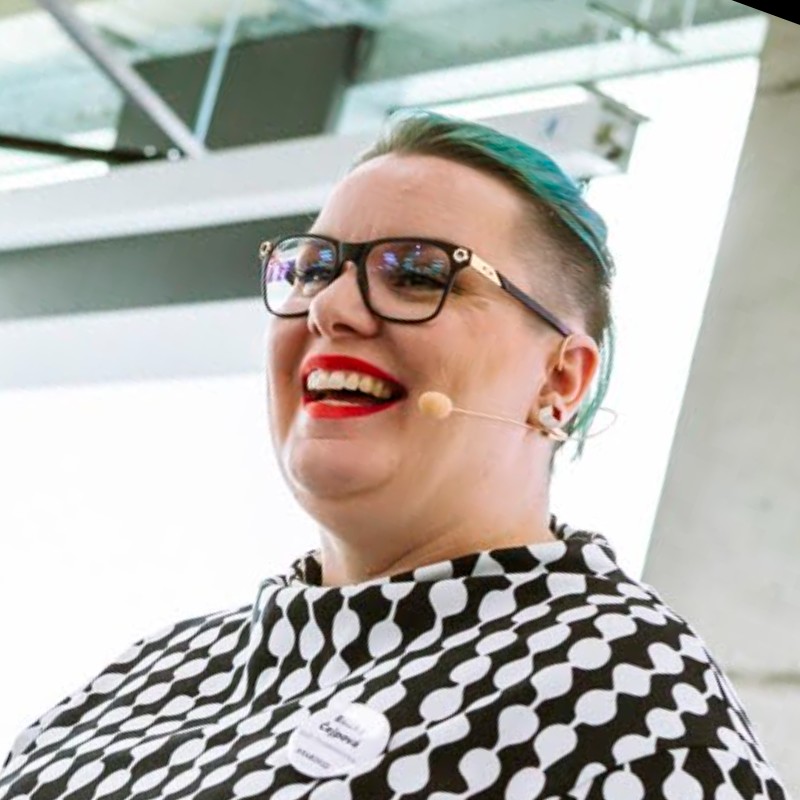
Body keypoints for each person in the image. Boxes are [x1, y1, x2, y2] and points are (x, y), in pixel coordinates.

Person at [0, 110, 789, 800]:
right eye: (312, 268)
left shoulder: (621, 693)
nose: (332, 307)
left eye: (416, 274)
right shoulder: (150, 675)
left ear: (560, 379)